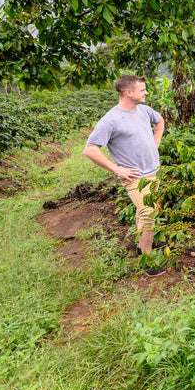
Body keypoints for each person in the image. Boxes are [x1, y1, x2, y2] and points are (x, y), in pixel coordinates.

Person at [83, 75, 166, 275]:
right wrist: (117, 169)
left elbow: (160, 120)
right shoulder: (111, 120)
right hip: (135, 178)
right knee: (148, 213)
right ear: (128, 92)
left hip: (153, 171)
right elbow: (90, 149)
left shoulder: (144, 110)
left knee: (146, 210)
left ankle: (143, 244)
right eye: (142, 89)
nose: (146, 92)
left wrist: (156, 142)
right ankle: (146, 259)